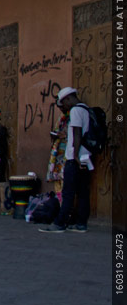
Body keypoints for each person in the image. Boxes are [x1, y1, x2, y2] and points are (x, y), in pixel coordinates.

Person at [40, 88, 93, 233]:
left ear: (69, 99)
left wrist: (74, 156)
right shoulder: (86, 109)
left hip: (74, 158)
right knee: (82, 192)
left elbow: (76, 134)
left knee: (68, 192)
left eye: (64, 102)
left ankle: (59, 223)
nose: (64, 106)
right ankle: (81, 223)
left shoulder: (76, 111)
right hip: (85, 157)